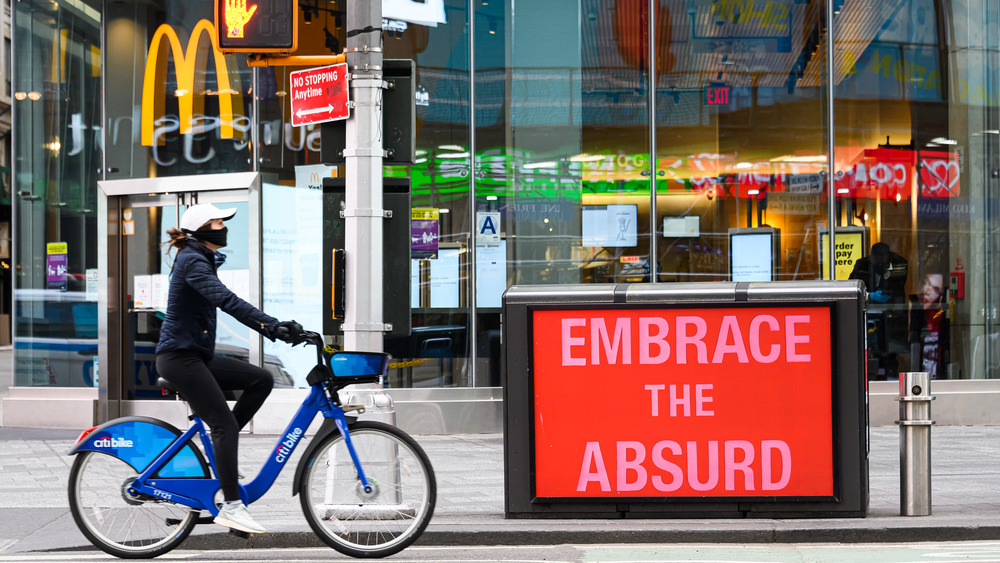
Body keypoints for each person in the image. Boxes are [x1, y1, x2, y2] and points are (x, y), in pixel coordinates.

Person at [155, 203, 302, 535]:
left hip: (194, 356)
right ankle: (233, 507)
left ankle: (224, 456)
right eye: (218, 221)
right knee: (223, 425)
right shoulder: (192, 260)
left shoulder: (200, 257)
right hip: (180, 359)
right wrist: (271, 326)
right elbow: (227, 300)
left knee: (261, 379)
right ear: (201, 229)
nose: (223, 226)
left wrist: (279, 329)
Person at [850, 242, 908, 378]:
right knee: (869, 349)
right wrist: (869, 295)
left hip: (890, 315)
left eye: (884, 258)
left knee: (889, 352)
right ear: (872, 257)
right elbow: (852, 287)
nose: (881, 262)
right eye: (878, 259)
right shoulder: (861, 266)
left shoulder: (898, 264)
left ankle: (889, 374)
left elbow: (897, 286)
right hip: (867, 314)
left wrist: (890, 293)